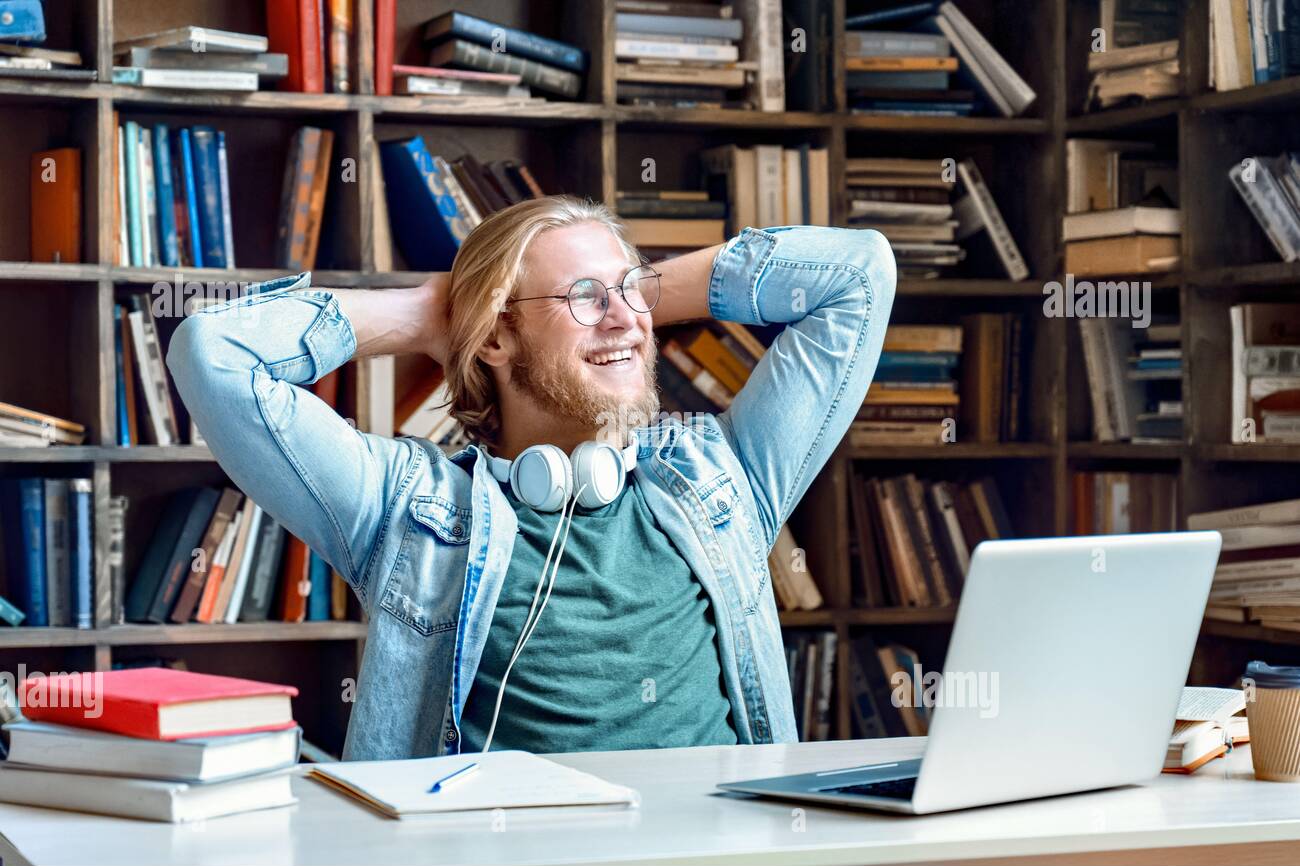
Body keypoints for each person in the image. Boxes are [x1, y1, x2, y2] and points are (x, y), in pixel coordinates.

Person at [167, 195, 896, 760]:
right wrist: (430, 312)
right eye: (583, 298)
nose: (625, 322)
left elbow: (859, 275)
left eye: (630, 293)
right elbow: (213, 353)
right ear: (493, 337)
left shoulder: (723, 477)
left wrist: (635, 298)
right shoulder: (406, 508)